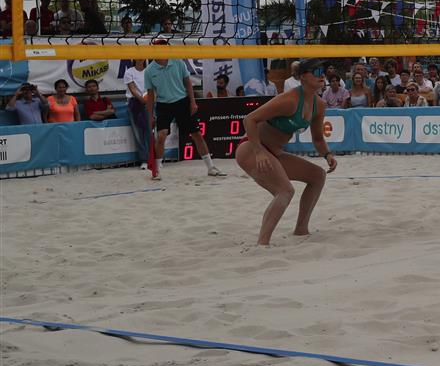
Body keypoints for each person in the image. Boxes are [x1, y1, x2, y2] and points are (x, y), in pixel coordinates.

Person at [237, 57, 337, 246]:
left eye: (323, 72)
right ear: (303, 77)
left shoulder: (319, 105)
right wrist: (258, 152)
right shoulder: (290, 100)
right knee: (285, 191)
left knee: (318, 176)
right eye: (316, 72)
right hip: (250, 148)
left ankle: (301, 229)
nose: (322, 76)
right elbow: (249, 119)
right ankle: (262, 243)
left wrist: (327, 154)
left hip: (274, 152)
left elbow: (317, 139)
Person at [145, 41, 224, 177]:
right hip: (163, 104)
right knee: (161, 135)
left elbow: (188, 82)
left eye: (166, 47)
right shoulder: (149, 70)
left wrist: (192, 102)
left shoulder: (178, 62)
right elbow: (150, 95)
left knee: (196, 134)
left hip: (182, 101)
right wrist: (150, 116)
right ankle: (157, 169)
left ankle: (211, 167)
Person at [123, 58, 155, 177]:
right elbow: (132, 89)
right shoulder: (129, 72)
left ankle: (154, 158)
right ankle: (144, 160)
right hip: (135, 104)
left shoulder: (149, 71)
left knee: (150, 131)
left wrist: (149, 101)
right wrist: (142, 100)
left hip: (148, 103)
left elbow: (152, 88)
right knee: (138, 133)